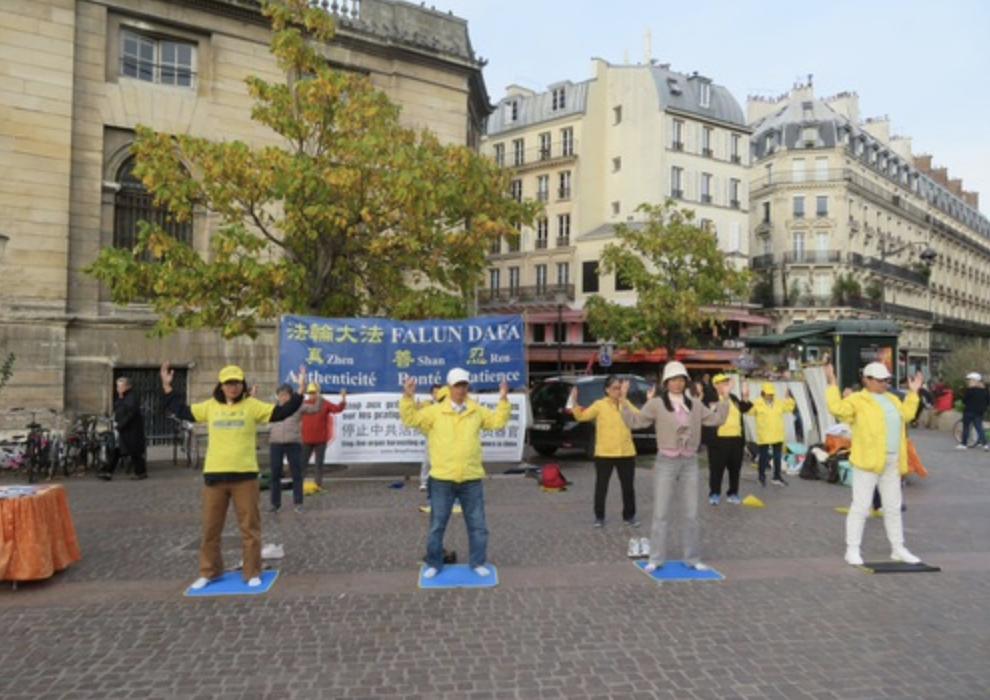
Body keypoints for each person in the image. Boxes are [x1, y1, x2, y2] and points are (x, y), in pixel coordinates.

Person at [161, 362, 304, 590]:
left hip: (244, 477)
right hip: (214, 478)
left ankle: (252, 571)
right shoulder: (210, 406)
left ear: (242, 384)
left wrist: (300, 391)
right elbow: (182, 410)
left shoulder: (251, 406)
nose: (233, 387)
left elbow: (281, 412)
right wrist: (167, 387)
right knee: (210, 529)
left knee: (249, 528)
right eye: (229, 383)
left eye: (237, 383)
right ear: (221, 385)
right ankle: (210, 571)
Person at [399, 368, 510, 579]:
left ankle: (477, 561)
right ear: (449, 387)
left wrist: (503, 399)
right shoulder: (435, 412)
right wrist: (407, 396)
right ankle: (434, 562)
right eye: (457, 385)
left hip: (471, 477)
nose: (461, 389)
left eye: (464, 385)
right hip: (442, 478)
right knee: (437, 525)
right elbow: (410, 419)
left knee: (477, 525)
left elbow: (497, 421)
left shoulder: (475, 410)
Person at [620, 361, 729, 573]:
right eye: (673, 380)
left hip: (689, 462)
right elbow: (636, 422)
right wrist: (624, 402)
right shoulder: (657, 404)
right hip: (666, 462)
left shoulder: (695, 404)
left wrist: (724, 397)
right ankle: (656, 558)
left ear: (685, 382)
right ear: (666, 382)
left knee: (691, 513)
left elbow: (717, 419)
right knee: (661, 513)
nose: (677, 384)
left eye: (681, 380)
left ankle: (693, 558)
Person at [825, 361, 923, 566]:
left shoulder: (893, 399)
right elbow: (837, 409)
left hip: (892, 460)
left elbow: (907, 415)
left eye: (886, 380)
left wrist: (913, 394)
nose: (884, 384)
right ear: (866, 380)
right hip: (867, 461)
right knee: (860, 507)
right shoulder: (857, 400)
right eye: (880, 380)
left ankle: (898, 548)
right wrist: (832, 384)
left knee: (893, 507)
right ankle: (852, 549)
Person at [570, 375, 653, 528]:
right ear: (607, 390)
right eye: (615, 388)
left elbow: (640, 418)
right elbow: (582, 416)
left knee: (628, 487)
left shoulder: (625, 403)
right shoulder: (599, 405)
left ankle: (629, 515)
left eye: (620, 388)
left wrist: (648, 402)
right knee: (601, 486)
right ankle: (599, 516)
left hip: (626, 452)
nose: (618, 391)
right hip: (605, 453)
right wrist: (574, 400)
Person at [269, 378, 322, 514]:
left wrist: (318, 395)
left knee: (297, 474)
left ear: (291, 395)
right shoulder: (273, 408)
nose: (283, 397)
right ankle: (275, 504)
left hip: (293, 443)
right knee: (275, 474)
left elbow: (315, 408)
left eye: (286, 395)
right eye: (280, 395)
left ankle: (298, 503)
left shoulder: (298, 406)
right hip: (276, 443)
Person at [704, 373, 753, 505]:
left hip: (736, 439)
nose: (726, 384)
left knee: (735, 468)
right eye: (722, 382)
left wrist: (746, 397)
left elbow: (744, 408)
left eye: (727, 382)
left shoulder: (733, 398)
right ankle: (714, 493)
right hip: (718, 440)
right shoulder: (710, 398)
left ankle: (733, 493)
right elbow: (711, 414)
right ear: (716, 385)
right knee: (716, 468)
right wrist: (723, 396)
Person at [746, 382, 796, 487]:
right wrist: (745, 400)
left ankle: (777, 477)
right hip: (764, 435)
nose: (771, 396)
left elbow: (789, 408)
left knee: (777, 457)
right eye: (769, 394)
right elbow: (747, 411)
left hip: (777, 434)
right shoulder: (757, 403)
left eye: (772, 394)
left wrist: (789, 399)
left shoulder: (778, 402)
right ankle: (761, 477)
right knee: (763, 457)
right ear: (763, 393)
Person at [299, 382, 347, 489]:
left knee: (319, 463)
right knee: (302, 462)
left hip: (320, 439)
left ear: (318, 393)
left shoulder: (324, 403)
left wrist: (343, 398)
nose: (312, 395)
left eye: (314, 392)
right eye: (310, 393)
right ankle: (299, 483)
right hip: (306, 439)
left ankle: (318, 483)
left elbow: (337, 409)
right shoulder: (303, 404)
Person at [100, 376, 148, 481]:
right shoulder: (123, 396)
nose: (117, 388)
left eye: (119, 386)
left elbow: (130, 413)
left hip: (131, 429)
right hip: (124, 429)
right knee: (117, 450)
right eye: (117, 386)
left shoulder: (132, 397)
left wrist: (121, 424)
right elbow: (118, 408)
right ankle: (108, 472)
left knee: (134, 452)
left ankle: (141, 472)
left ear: (126, 387)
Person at [417, 383, 446, 492]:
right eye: (434, 392)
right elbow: (417, 415)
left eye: (438, 392)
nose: (436, 394)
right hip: (430, 435)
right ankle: (424, 482)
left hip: (444, 435)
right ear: (431, 394)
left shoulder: (446, 404)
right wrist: (417, 408)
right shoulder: (426, 404)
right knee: (427, 459)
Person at [958, 372, 989, 450]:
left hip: (969, 411)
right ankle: (985, 444)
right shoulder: (984, 390)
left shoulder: (970, 390)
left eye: (969, 380)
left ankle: (964, 444)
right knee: (979, 428)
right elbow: (988, 401)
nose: (968, 382)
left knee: (966, 427)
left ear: (973, 381)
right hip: (979, 412)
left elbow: (964, 400)